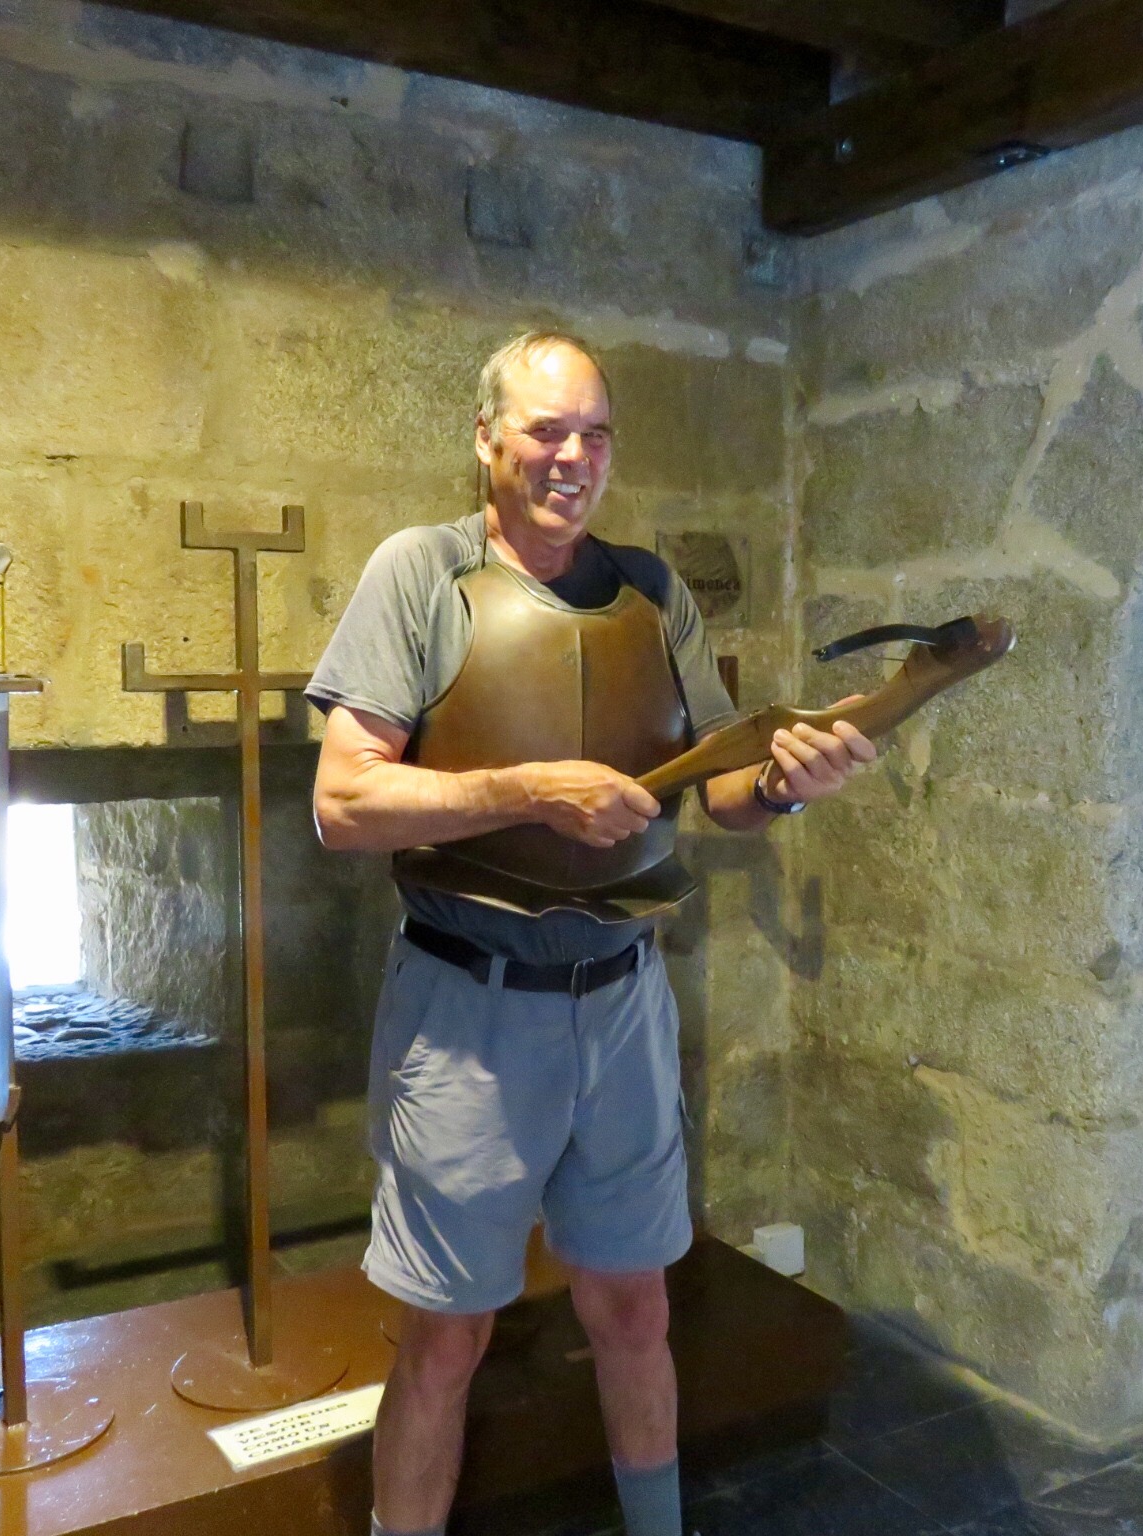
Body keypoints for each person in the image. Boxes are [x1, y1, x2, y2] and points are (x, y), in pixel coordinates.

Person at [308, 331, 875, 1536]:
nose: (574, 457)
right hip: (469, 1010)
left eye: (595, 434)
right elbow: (342, 803)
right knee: (445, 1336)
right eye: (546, 430)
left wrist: (785, 786)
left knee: (632, 1308)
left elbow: (721, 789)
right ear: (486, 438)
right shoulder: (422, 574)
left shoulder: (651, 593)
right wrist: (525, 791)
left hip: (620, 1002)